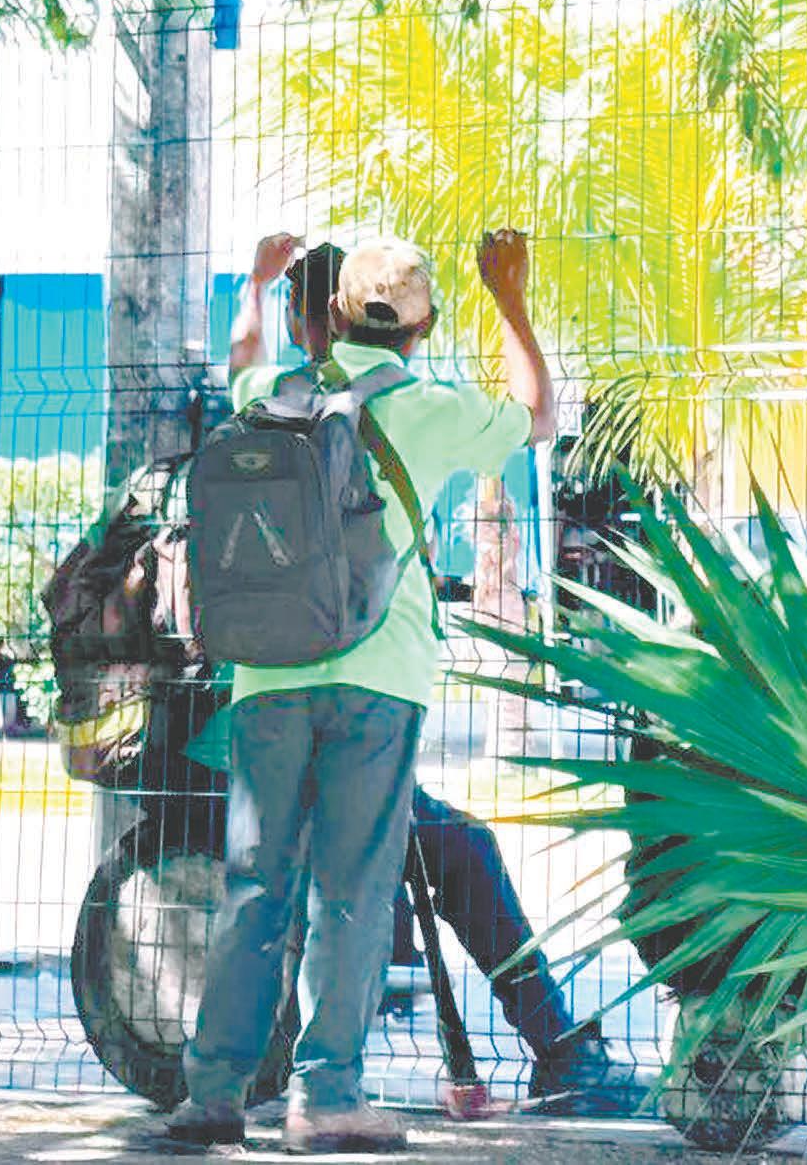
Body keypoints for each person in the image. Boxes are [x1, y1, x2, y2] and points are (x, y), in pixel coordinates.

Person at [170, 232, 557, 1152]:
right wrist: (508, 296)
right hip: (379, 674)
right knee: (350, 890)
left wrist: (256, 285)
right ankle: (326, 1097)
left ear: (334, 315)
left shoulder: (274, 394)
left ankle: (213, 1092)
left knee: (255, 884)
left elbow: (240, 359)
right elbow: (538, 415)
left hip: (267, 672)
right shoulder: (433, 407)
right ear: (423, 328)